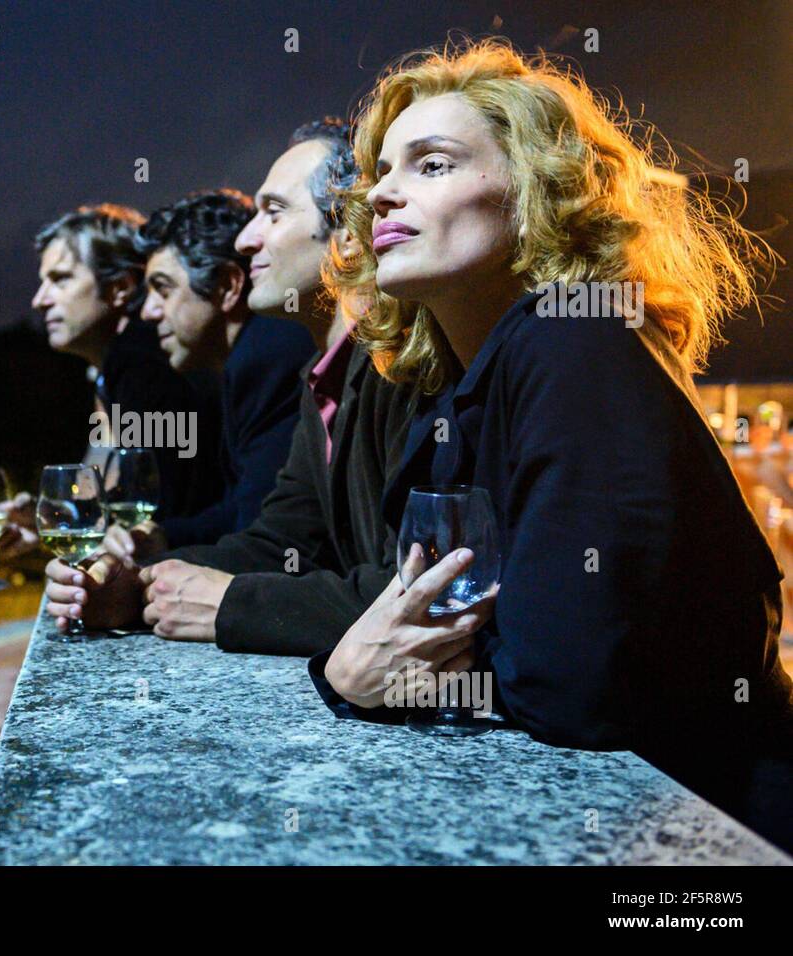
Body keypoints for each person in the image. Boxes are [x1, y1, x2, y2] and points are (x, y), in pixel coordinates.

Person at [313, 39, 793, 852]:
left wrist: (369, 677)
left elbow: (570, 685)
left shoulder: (575, 337)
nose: (382, 193)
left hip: (709, 837)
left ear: (539, 191)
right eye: (382, 171)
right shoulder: (466, 386)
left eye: (431, 165)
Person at [43, 119, 417, 656]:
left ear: (350, 235)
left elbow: (416, 591)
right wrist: (134, 583)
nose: (246, 239)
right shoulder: (323, 376)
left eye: (274, 212)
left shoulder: (403, 365)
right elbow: (281, 540)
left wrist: (229, 604)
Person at [0, 203, 224, 558]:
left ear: (120, 287)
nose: (39, 301)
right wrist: (47, 524)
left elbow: (156, 514)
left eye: (61, 279)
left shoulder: (142, 367)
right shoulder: (118, 369)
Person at [121, 188, 314, 550]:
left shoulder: (264, 360)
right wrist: (162, 536)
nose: (148, 312)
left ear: (227, 285)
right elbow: (239, 508)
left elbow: (261, 532)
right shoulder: (250, 355)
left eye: (163, 289)